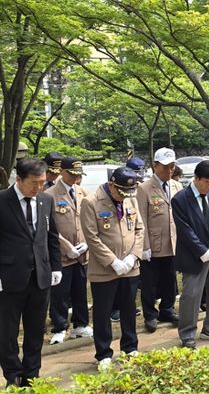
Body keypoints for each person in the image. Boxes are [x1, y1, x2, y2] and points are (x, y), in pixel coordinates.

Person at [0, 158, 61, 388]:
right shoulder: (2, 201)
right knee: (7, 331)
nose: (39, 187)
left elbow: (51, 236)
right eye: (34, 183)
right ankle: (13, 374)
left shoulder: (46, 200)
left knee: (36, 330)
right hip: (9, 277)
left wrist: (56, 267)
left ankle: (31, 375)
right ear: (19, 179)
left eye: (43, 182)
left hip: (40, 276)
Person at [80, 167, 144, 371]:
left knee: (128, 308)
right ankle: (103, 353)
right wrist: (113, 261)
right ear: (111, 185)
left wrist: (133, 256)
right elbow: (91, 236)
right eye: (121, 192)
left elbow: (139, 229)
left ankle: (130, 347)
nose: (124, 196)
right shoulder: (91, 202)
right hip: (104, 268)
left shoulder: (130, 198)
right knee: (103, 311)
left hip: (130, 266)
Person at [172, 160, 209, 348]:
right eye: (207, 183)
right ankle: (187, 332)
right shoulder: (180, 199)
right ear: (196, 178)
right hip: (194, 256)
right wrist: (201, 251)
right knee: (191, 295)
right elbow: (185, 230)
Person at [45, 157, 92, 345]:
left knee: (80, 290)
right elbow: (48, 227)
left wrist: (87, 243)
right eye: (71, 174)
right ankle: (60, 327)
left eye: (78, 175)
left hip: (81, 253)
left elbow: (91, 221)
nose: (75, 178)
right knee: (60, 293)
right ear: (61, 172)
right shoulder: (49, 195)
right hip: (61, 254)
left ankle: (80, 324)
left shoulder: (83, 192)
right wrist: (66, 246)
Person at [136, 148, 182, 333]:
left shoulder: (176, 186)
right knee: (150, 281)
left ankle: (167, 309)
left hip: (173, 241)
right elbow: (141, 218)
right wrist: (144, 246)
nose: (169, 170)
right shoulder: (144, 188)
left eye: (172, 166)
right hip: (153, 243)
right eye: (165, 167)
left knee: (170, 279)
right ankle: (150, 314)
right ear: (155, 166)